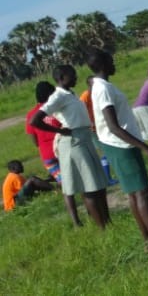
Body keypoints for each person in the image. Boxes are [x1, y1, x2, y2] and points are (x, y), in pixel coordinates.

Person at [87, 49, 148, 255]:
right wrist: (145, 147)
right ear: (103, 63)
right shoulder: (102, 89)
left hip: (117, 145)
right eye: (111, 59)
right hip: (121, 146)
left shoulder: (100, 86)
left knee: (134, 194)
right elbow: (113, 126)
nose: (114, 63)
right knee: (142, 193)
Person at [29, 64, 110, 229]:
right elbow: (35, 120)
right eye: (72, 75)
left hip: (84, 138)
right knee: (89, 187)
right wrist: (58, 130)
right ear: (61, 78)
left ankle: (108, 222)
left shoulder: (70, 94)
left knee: (99, 186)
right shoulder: (57, 97)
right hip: (74, 143)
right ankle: (102, 228)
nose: (75, 77)